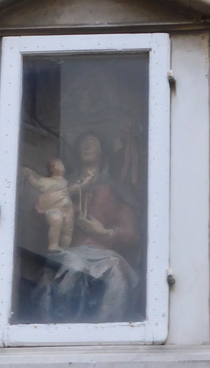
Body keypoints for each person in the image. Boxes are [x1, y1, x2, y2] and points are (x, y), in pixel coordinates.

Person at [34, 133, 143, 323]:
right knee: (72, 269)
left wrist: (104, 233)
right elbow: (44, 213)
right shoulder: (65, 187)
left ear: (103, 151)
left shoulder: (116, 190)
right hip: (72, 252)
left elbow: (131, 234)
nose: (86, 147)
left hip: (104, 256)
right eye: (82, 143)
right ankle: (65, 330)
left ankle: (109, 333)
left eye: (92, 142)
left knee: (116, 275)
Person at [21, 158, 74, 252]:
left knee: (68, 230)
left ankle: (65, 249)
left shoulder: (66, 182)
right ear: (52, 168)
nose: (62, 166)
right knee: (56, 220)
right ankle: (53, 245)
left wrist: (87, 181)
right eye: (59, 164)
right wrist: (29, 176)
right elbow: (36, 183)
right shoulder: (47, 181)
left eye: (62, 164)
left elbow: (75, 189)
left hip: (68, 208)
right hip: (54, 208)